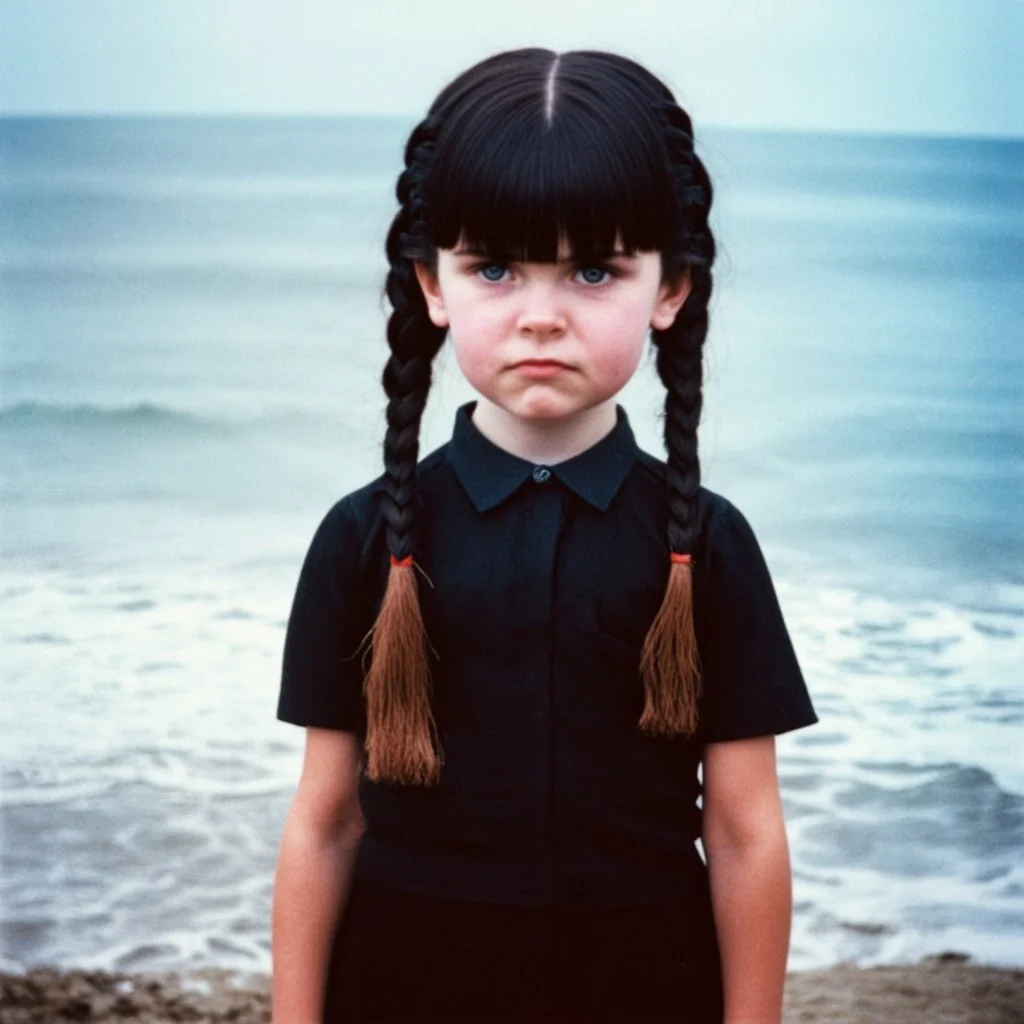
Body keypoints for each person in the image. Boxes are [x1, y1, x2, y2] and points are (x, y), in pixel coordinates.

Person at [271, 47, 817, 1024]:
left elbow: (742, 829)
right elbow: (325, 820)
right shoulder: (361, 540)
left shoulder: (710, 546)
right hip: (398, 991)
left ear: (669, 288)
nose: (539, 317)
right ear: (433, 285)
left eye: (593, 270)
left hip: (650, 991)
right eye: (494, 267)